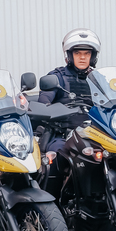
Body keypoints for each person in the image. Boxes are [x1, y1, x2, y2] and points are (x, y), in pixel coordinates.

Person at [36, 29, 101, 160]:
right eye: (77, 53)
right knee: (59, 154)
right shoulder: (58, 76)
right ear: (70, 55)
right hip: (64, 135)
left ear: (92, 57)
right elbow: (43, 102)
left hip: (95, 134)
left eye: (87, 53)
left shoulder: (99, 79)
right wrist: (49, 108)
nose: (82, 57)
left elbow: (113, 100)